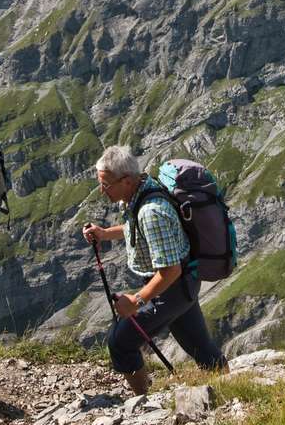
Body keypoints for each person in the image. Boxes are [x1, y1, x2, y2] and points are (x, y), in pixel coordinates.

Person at [81, 146, 228, 394]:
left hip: (173, 287)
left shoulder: (151, 212)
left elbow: (169, 271)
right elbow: (135, 228)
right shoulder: (142, 191)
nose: (101, 190)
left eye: (105, 185)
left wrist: (136, 300)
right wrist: (105, 234)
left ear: (126, 181)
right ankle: (230, 390)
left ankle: (142, 402)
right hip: (184, 284)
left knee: (120, 342)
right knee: (200, 346)